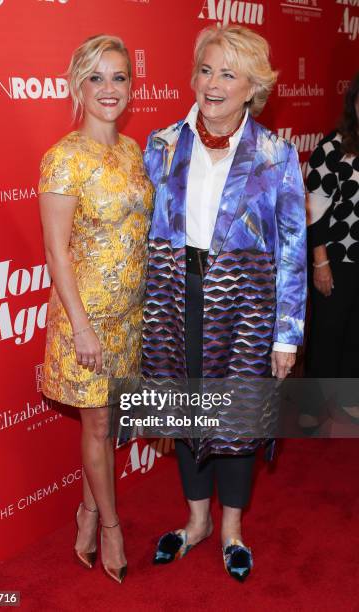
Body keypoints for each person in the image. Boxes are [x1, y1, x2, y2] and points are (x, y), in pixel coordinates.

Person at [142, 25, 306, 581]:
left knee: (236, 415)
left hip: (247, 305)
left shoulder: (277, 154)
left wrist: (287, 334)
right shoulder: (160, 144)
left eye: (228, 74)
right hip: (173, 297)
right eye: (206, 70)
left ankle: (231, 528)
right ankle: (196, 522)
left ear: (252, 87)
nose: (212, 83)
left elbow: (292, 249)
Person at [38, 34, 153, 583]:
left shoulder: (132, 151)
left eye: (120, 77)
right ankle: (110, 525)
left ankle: (85, 510)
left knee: (106, 428)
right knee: (100, 421)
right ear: (77, 86)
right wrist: (81, 326)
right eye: (97, 78)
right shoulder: (63, 158)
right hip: (85, 320)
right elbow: (55, 251)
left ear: (132, 85)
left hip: (130, 315)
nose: (110, 89)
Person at [305, 73, 359, 423]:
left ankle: (348, 397)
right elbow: (314, 211)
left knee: (356, 331)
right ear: (353, 103)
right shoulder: (332, 149)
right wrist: (320, 262)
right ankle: (310, 406)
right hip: (336, 259)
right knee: (328, 331)